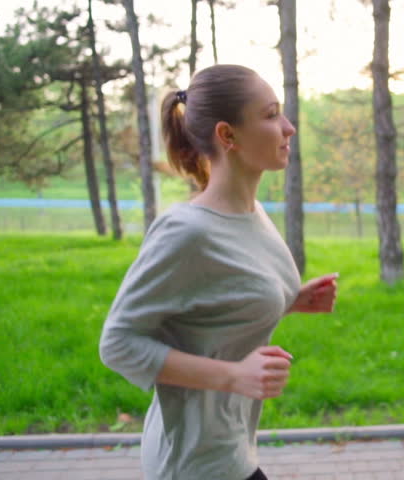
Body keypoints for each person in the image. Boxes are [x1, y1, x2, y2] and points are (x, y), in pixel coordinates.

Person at [99, 64, 338, 480]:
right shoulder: (186, 231)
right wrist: (234, 377)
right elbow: (117, 343)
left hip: (230, 448)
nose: (289, 128)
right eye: (270, 115)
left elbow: (213, 307)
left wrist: (288, 300)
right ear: (227, 135)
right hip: (190, 463)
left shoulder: (252, 212)